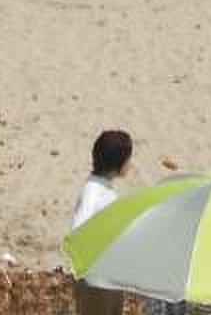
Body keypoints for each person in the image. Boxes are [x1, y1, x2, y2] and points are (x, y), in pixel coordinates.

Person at [71, 130, 134, 315]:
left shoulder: (104, 190)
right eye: (129, 159)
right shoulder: (93, 191)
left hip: (109, 278)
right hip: (96, 281)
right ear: (118, 162)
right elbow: (79, 231)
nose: (130, 164)